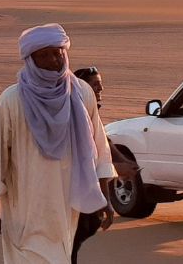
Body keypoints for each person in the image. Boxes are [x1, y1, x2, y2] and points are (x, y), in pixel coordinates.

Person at [0, 24, 116, 263]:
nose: (53, 61)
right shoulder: (12, 99)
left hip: (65, 204)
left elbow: (99, 147)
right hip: (25, 206)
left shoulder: (81, 92)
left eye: (57, 53)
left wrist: (105, 198)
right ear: (30, 59)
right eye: (43, 55)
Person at [68, 66, 139, 264]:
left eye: (100, 84)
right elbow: (82, 159)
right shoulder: (74, 116)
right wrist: (117, 168)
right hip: (74, 193)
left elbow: (104, 143)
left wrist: (120, 160)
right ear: (82, 88)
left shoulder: (90, 113)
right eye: (95, 84)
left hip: (88, 193)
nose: (100, 88)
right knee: (71, 243)